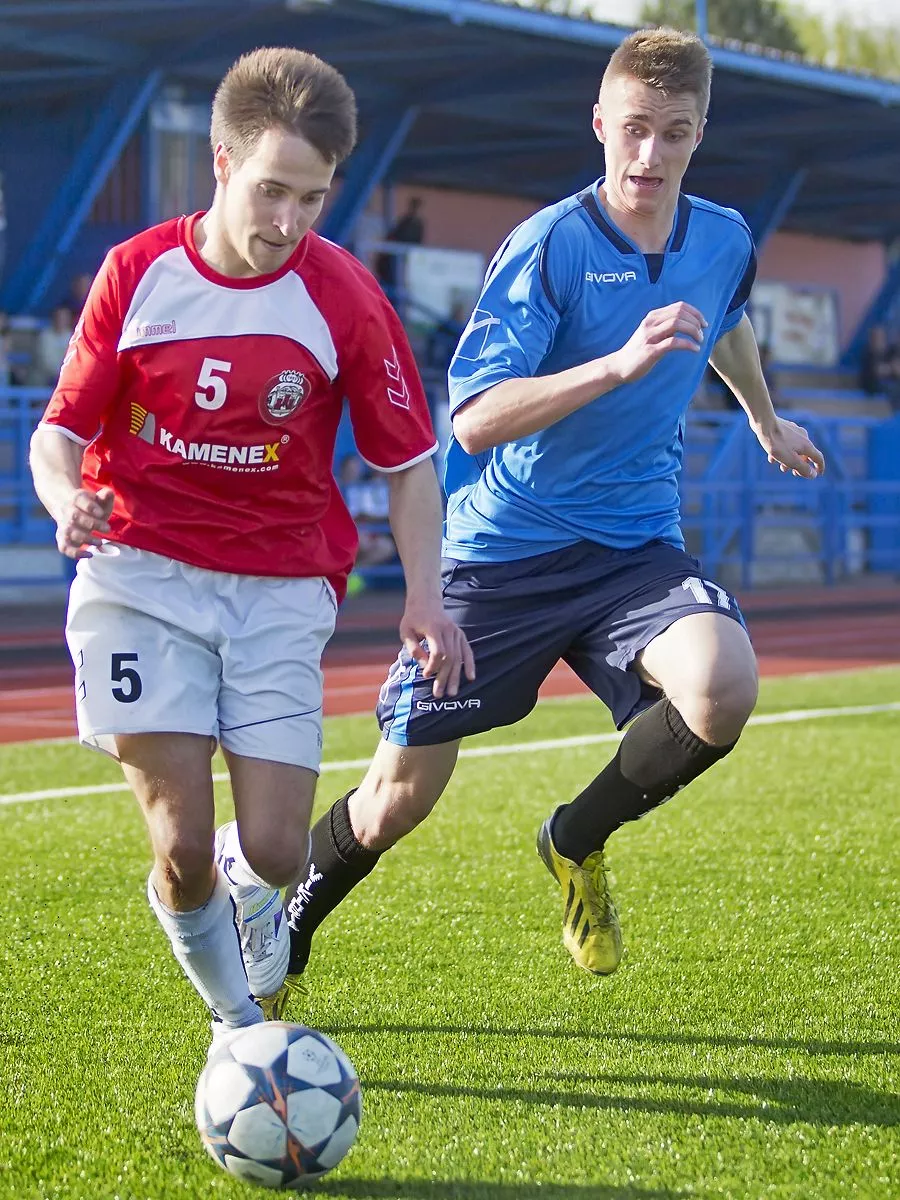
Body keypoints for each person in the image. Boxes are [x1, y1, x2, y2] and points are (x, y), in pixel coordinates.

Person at [281, 27, 825, 990]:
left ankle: (574, 839)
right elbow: (476, 416)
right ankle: (283, 930)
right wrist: (616, 366)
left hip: (634, 548)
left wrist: (764, 417)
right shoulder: (550, 246)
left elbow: (726, 318)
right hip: (503, 551)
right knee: (398, 798)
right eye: (634, 129)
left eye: (674, 133)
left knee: (722, 685)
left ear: (699, 135)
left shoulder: (724, 238)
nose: (650, 154)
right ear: (600, 123)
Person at [28, 46, 472, 1051]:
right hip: (138, 577)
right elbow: (58, 433)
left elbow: (410, 466)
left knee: (274, 850)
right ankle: (239, 1032)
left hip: (279, 588)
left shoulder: (346, 296)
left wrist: (425, 598)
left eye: (312, 198)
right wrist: (65, 498)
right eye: (272, 190)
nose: (289, 221)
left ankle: (249, 884)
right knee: (179, 845)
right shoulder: (136, 273)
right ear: (221, 162)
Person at [338, 453, 397, 569]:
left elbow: (370, 514)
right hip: (349, 529)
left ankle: (354, 572)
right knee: (358, 542)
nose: (353, 471)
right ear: (343, 469)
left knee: (386, 547)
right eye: (350, 468)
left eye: (356, 468)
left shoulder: (366, 486)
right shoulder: (339, 486)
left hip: (369, 530)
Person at [374, 196, 425, 295]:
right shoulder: (404, 221)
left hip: (408, 258)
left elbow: (418, 241)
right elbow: (394, 236)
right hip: (395, 258)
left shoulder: (418, 224)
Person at [36, 304, 76, 386]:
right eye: (59, 317)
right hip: (46, 376)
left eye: (64, 318)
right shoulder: (45, 336)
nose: (61, 320)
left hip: (68, 377)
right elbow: (45, 360)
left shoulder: (74, 337)